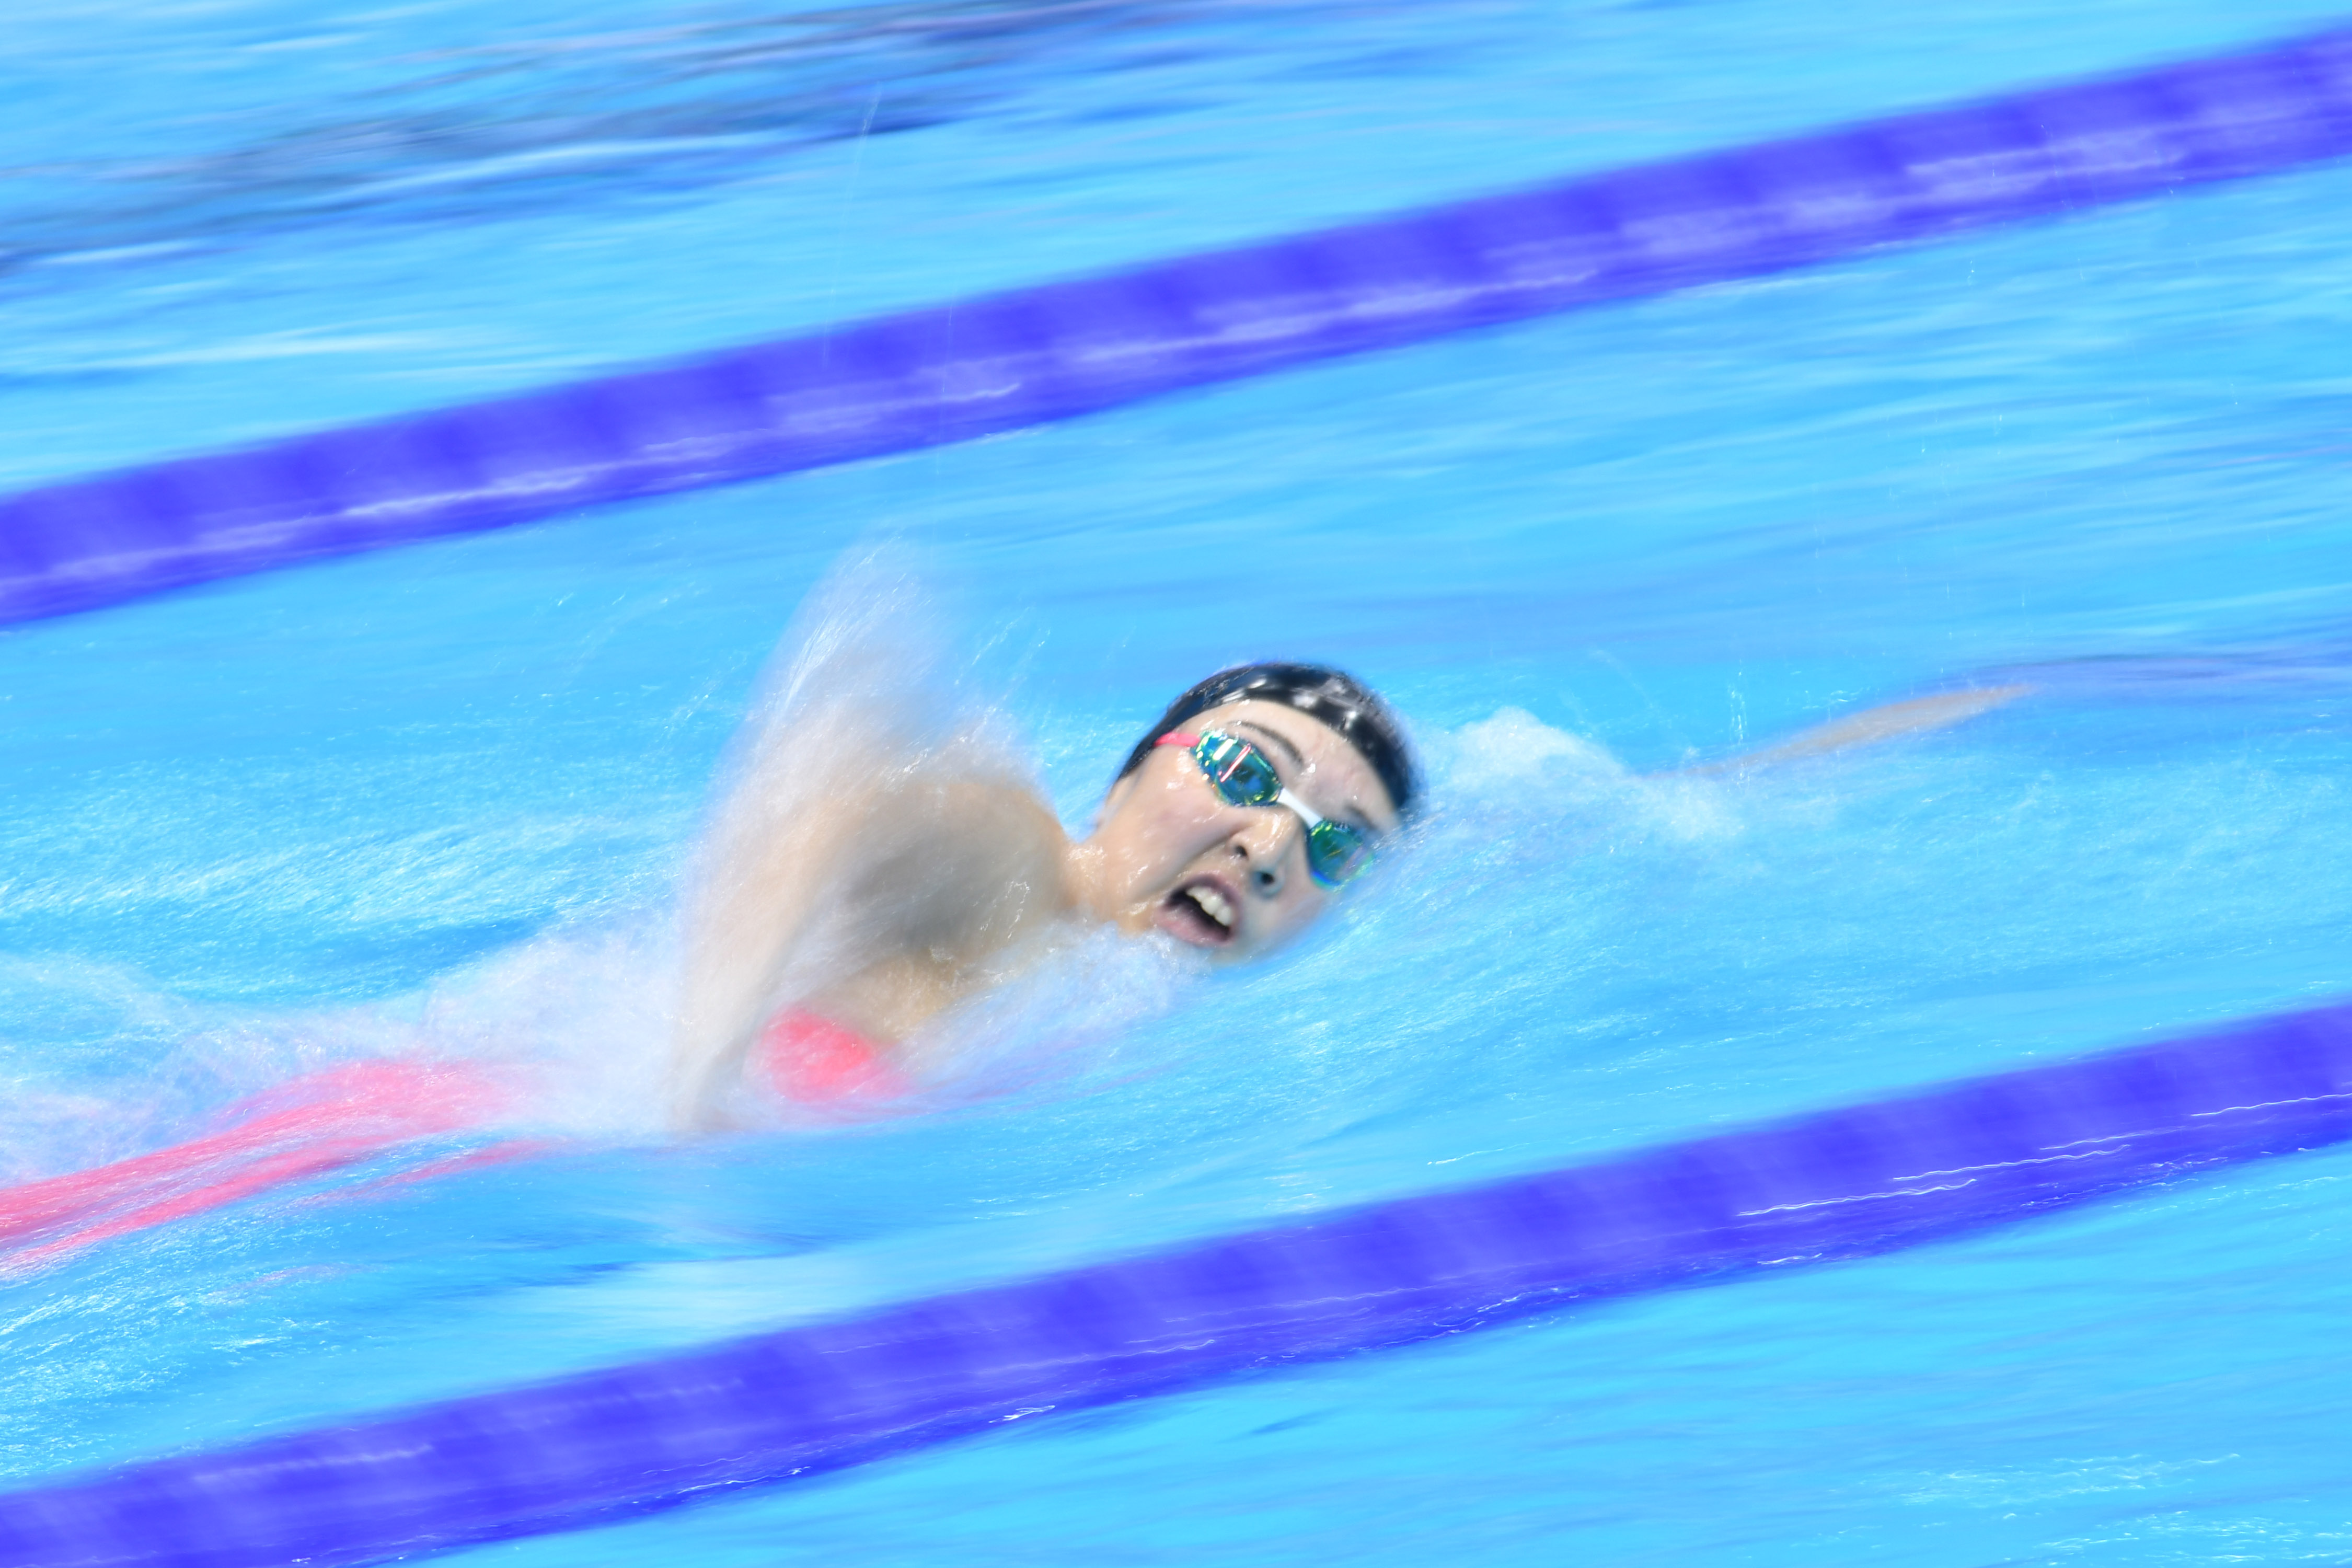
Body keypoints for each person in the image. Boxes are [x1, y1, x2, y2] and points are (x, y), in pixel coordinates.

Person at [664, 582, 2027, 1129]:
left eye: (1331, 846)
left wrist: (1956, 708)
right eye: (1244, 775)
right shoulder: (1014, 859)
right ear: (1133, 770)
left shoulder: (1165, 966)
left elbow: (1638, 807)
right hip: (497, 1123)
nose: (1268, 846)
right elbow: (836, 741)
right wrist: (693, 1083)